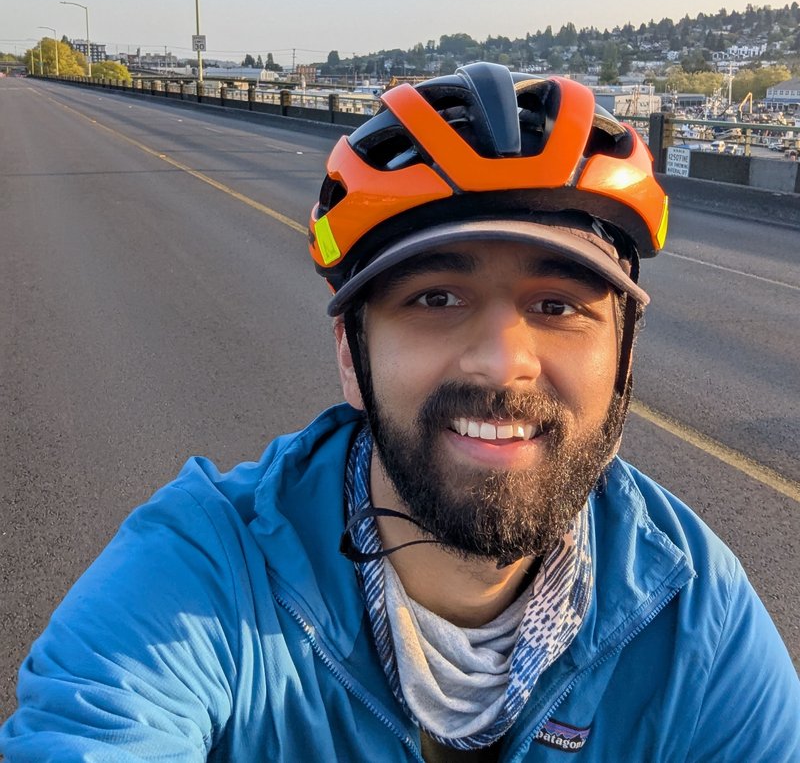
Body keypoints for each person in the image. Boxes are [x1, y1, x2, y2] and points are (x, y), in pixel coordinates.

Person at [1, 64, 798, 761]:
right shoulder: (202, 576)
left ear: (624, 357)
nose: (502, 360)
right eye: (436, 298)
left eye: (557, 304)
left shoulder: (693, 612)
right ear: (353, 353)